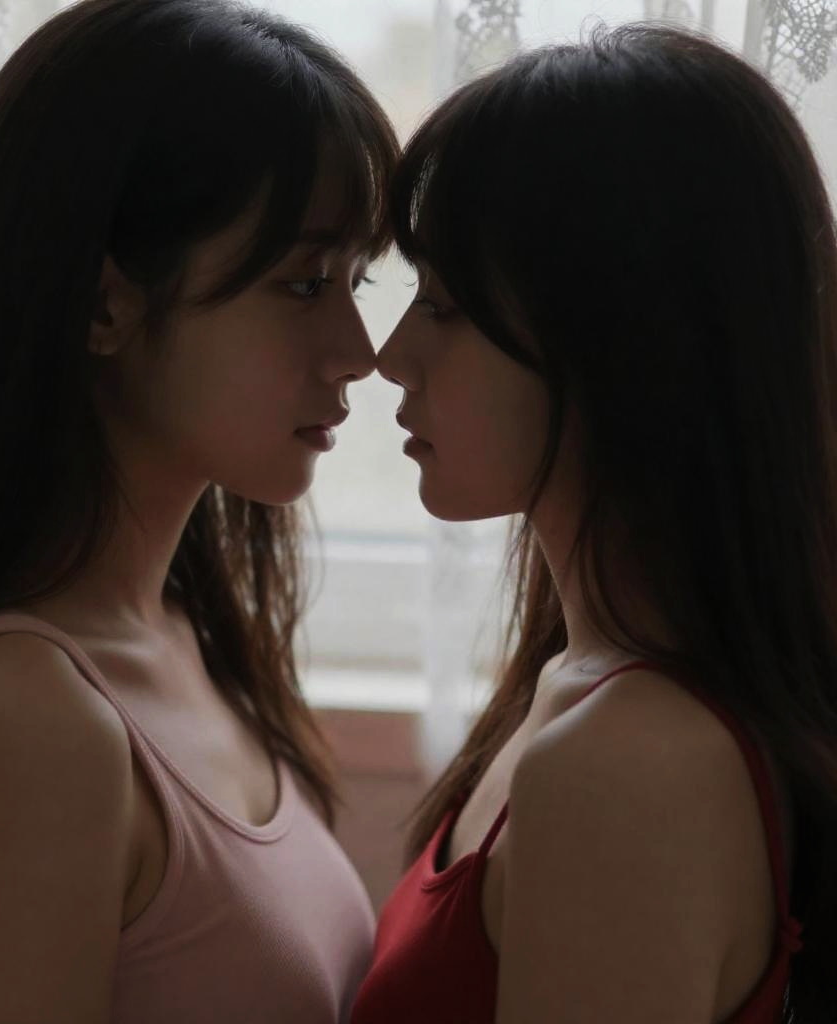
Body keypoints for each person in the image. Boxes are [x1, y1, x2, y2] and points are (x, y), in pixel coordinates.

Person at [0, 1, 399, 1021]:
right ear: (103, 305)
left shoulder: (182, 632)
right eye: (306, 283)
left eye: (357, 279)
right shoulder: (16, 717)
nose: (359, 351)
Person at [353, 23, 837, 1024]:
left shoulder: (627, 764)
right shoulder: (581, 683)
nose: (389, 356)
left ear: (616, 342)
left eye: (444, 304)